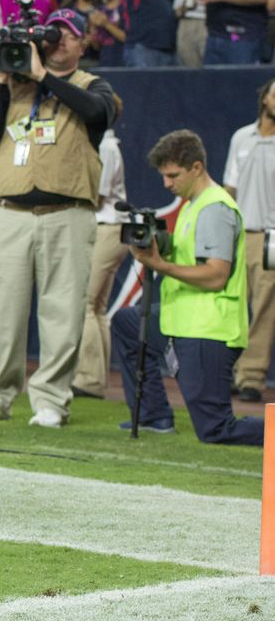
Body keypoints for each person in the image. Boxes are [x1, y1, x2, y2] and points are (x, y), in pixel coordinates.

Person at [0, 9, 115, 427]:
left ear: (83, 45)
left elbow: (97, 114)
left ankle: (51, 400)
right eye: (53, 35)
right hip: (8, 213)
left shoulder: (94, 85)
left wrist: (44, 76)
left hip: (66, 213)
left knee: (63, 313)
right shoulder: (13, 86)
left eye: (69, 36)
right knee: (3, 314)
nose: (59, 41)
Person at [111, 130, 263, 445]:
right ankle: (154, 416)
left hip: (209, 330)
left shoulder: (214, 209)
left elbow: (215, 275)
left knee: (216, 429)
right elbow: (191, 256)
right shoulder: (194, 203)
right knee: (127, 323)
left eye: (172, 175)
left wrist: (160, 264)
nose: (166, 183)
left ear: (196, 168)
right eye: (163, 175)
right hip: (182, 318)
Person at [71, 96, 128, 399]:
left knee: (88, 304)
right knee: (97, 307)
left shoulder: (104, 147)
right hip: (109, 228)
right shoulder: (103, 145)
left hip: (106, 228)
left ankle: (89, 380)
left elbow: (94, 195)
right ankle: (95, 378)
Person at [223, 79, 275, 403]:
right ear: (265, 98)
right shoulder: (242, 137)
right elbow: (230, 187)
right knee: (233, 305)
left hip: (273, 236)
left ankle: (252, 377)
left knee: (265, 308)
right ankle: (229, 371)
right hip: (241, 232)